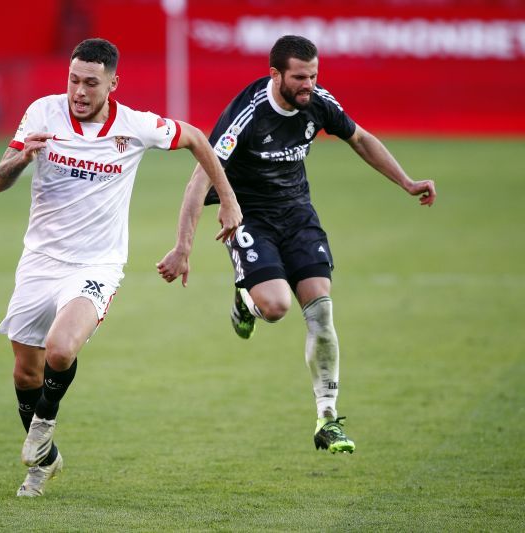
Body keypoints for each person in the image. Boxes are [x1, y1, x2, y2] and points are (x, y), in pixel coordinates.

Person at [157, 35, 436, 454]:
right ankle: (245, 298)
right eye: (300, 78)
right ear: (276, 75)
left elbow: (360, 138)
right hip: (250, 216)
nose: (309, 85)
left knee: (321, 312)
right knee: (276, 307)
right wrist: (183, 248)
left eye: (314, 76)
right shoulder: (248, 115)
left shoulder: (318, 102)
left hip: (298, 215)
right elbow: (200, 177)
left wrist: (407, 182)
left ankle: (328, 419)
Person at [0, 38, 242, 497]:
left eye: (91, 82)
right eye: (73, 80)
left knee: (61, 349)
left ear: (113, 82)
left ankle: (43, 426)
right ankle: (45, 462)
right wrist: (21, 156)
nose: (79, 91)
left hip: (97, 263)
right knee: (25, 374)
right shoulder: (42, 112)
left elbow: (196, 138)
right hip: (39, 261)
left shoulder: (135, 126)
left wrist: (226, 198)